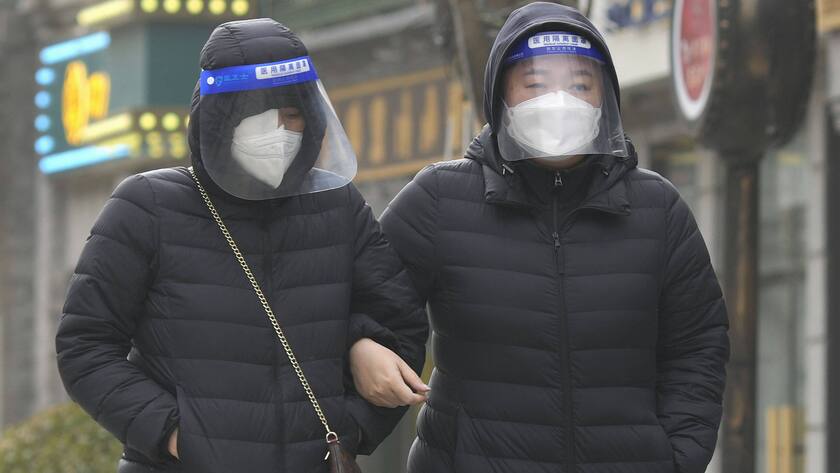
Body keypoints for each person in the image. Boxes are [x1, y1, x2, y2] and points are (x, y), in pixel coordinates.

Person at [349, 3, 730, 473]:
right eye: (535, 85)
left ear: (604, 98)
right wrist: (362, 343)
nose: (559, 100)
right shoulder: (441, 199)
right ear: (500, 96)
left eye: (579, 85)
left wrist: (675, 458)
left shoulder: (657, 208)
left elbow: (697, 346)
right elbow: (367, 301)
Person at [55, 18, 428, 473]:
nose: (280, 130)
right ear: (219, 116)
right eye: (258, 111)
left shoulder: (337, 205)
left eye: (292, 114)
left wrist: (348, 427)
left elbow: (400, 326)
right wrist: (173, 435)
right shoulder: (147, 206)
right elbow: (86, 344)